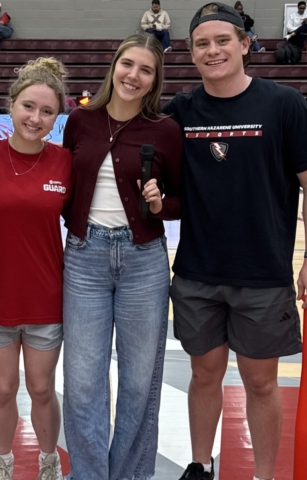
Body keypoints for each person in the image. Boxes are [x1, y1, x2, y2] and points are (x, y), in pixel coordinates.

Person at [162, 3, 307, 480]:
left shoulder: (283, 104)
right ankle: (200, 465)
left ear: (244, 45)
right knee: (203, 375)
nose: (212, 50)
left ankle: (263, 475)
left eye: (222, 41)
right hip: (197, 273)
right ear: (191, 52)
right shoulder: (180, 111)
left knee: (260, 383)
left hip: (262, 274)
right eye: (202, 44)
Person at [61, 33, 182, 480]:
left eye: (145, 70)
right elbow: (63, 186)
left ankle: (130, 475)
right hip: (84, 258)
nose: (134, 75)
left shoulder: (165, 131)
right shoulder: (81, 121)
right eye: (128, 64)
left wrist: (160, 204)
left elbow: (183, 199)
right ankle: (90, 475)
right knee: (82, 382)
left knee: (138, 383)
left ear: (155, 80)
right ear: (114, 67)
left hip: (143, 262)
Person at [0, 57, 72, 480]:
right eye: (28, 107)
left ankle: (49, 461)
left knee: (42, 388)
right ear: (11, 105)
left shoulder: (66, 162)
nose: (35, 118)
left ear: (57, 117)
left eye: (47, 111)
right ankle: (2, 462)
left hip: (46, 298)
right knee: (1, 390)